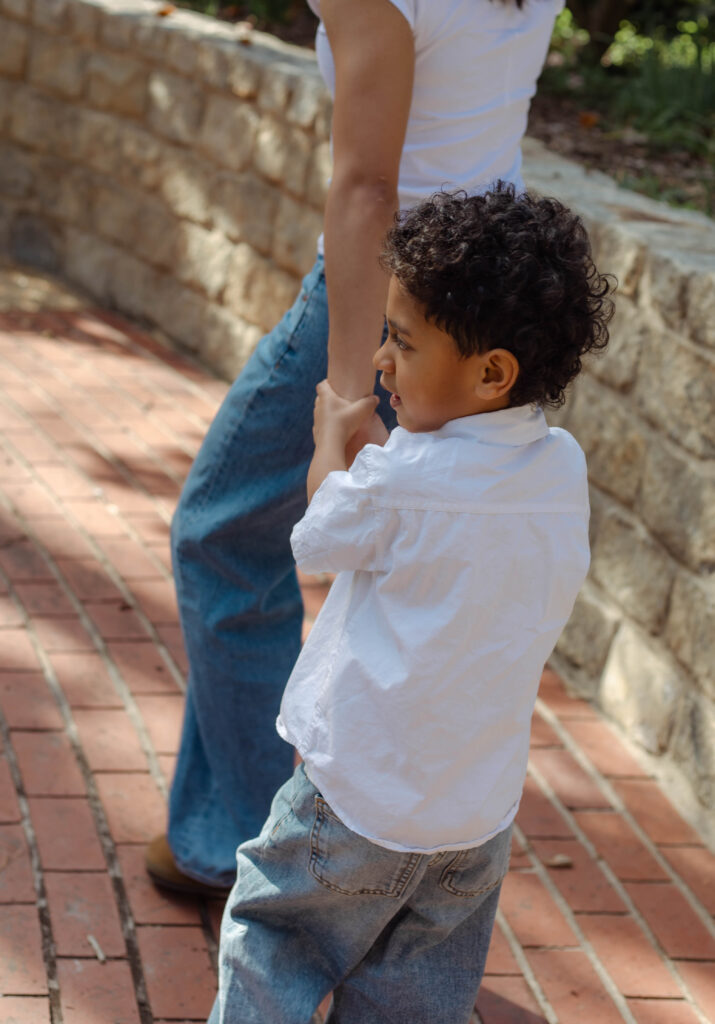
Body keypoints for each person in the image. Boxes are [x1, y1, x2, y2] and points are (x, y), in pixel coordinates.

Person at [146, 0, 565, 894]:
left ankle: (274, 865)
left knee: (219, 535)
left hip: (398, 291)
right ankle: (214, 831)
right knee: (415, 582)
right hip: (491, 285)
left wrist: (348, 390)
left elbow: (370, 185)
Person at [209, 185, 614, 1024]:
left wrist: (333, 443)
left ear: (490, 371)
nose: (382, 361)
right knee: (413, 1003)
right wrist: (388, 463)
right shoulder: (560, 467)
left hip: (355, 799)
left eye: (402, 341)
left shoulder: (396, 481)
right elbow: (455, 512)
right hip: (472, 820)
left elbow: (320, 535)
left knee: (273, 943)